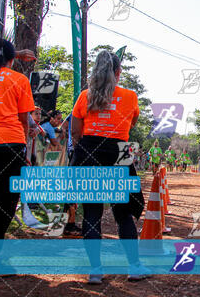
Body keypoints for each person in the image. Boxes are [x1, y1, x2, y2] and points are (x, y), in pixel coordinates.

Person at [71, 50, 147, 284]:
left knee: (92, 213)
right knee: (123, 213)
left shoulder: (85, 95)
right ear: (117, 72)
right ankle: (134, 267)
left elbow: (75, 131)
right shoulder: (130, 96)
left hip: (89, 150)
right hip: (120, 151)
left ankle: (95, 271)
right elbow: (131, 123)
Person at [0, 38, 35, 277]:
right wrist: (25, 150)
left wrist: (13, 53)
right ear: (12, 60)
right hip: (8, 146)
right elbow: (24, 120)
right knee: (1, 205)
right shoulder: (19, 80)